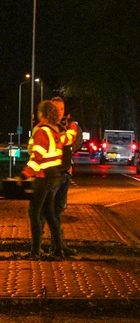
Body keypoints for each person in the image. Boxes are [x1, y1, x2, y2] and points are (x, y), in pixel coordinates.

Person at [18, 100, 71, 259]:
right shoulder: (57, 130)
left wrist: (24, 174)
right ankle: (58, 248)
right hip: (54, 175)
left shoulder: (42, 131)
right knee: (49, 212)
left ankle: (35, 251)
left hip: (43, 176)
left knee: (34, 212)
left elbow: (37, 158)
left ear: (43, 113)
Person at [50, 96, 81, 221]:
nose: (60, 112)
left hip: (64, 173)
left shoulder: (62, 127)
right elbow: (66, 142)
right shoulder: (49, 128)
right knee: (48, 208)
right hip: (52, 174)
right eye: (56, 109)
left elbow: (69, 148)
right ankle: (44, 236)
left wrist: (69, 165)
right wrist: (73, 128)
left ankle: (55, 237)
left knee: (58, 208)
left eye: (62, 109)